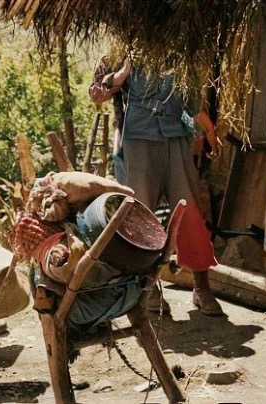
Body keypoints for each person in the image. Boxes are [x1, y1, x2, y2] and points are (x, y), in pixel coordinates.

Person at [89, 56, 224, 316]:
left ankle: (201, 287)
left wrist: (209, 131)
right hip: (137, 141)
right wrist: (122, 74)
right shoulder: (119, 53)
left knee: (190, 211)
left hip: (175, 139)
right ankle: (147, 288)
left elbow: (192, 102)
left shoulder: (180, 52)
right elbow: (96, 95)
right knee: (140, 216)